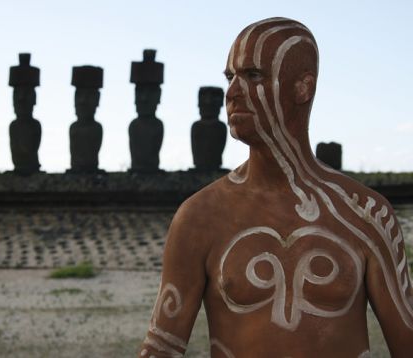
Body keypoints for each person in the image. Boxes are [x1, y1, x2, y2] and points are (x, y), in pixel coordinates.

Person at [139, 17, 413, 357]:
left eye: (253, 76)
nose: (233, 92)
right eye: (230, 77)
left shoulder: (366, 215)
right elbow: (161, 347)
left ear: (303, 87)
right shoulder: (199, 218)